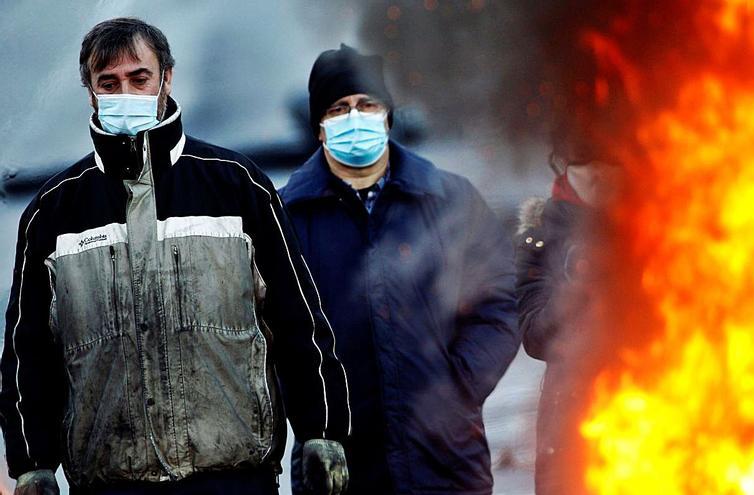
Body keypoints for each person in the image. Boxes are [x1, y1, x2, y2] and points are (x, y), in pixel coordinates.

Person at [0, 18, 350, 495]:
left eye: (139, 77)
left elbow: (298, 320)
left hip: (233, 477)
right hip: (112, 482)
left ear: (166, 77)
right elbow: (28, 353)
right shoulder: (53, 211)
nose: (125, 91)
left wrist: (322, 431)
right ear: (91, 92)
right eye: (109, 83)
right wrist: (31, 463)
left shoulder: (237, 186)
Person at [278, 44, 521, 494]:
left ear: (388, 115)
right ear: (318, 127)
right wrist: (314, 417)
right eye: (339, 108)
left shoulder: (450, 200)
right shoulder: (287, 216)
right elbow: (268, 334)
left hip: (445, 458)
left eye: (368, 104)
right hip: (340, 468)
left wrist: (460, 385)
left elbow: (499, 303)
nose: (355, 117)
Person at [515, 148, 624, 495]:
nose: (596, 173)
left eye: (608, 161)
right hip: (571, 421)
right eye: (583, 162)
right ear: (564, 165)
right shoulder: (540, 235)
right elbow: (534, 336)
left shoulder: (656, 223)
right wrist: (579, 289)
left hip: (654, 409)